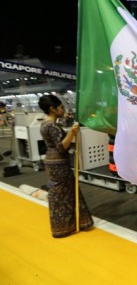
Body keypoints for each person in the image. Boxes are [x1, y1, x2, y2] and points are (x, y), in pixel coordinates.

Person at [38, 95, 94, 238]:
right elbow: (62, 147)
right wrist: (72, 132)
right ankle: (69, 225)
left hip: (51, 161)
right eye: (61, 107)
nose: (63, 110)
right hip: (59, 162)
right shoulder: (52, 126)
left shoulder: (44, 124)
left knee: (58, 194)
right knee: (65, 194)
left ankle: (62, 226)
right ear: (52, 109)